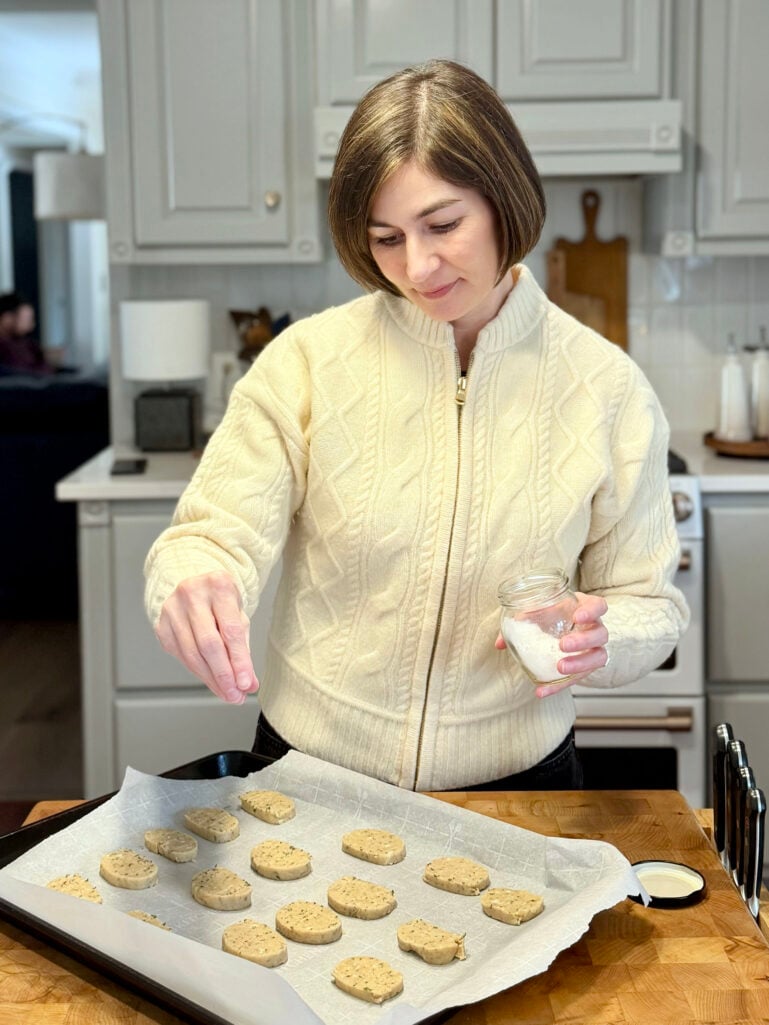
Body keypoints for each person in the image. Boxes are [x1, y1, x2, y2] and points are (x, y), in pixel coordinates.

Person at [145, 59, 689, 792]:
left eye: (442, 224)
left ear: (502, 199)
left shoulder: (606, 386)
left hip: (516, 781)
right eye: (385, 237)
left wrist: (604, 634)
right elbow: (209, 536)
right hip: (309, 771)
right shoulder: (306, 362)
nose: (417, 266)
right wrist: (193, 579)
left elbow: (650, 607)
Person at [0, 291, 50, 373]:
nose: (31, 326)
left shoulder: (30, 346)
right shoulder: (3, 348)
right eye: (27, 320)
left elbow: (47, 370)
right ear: (7, 318)